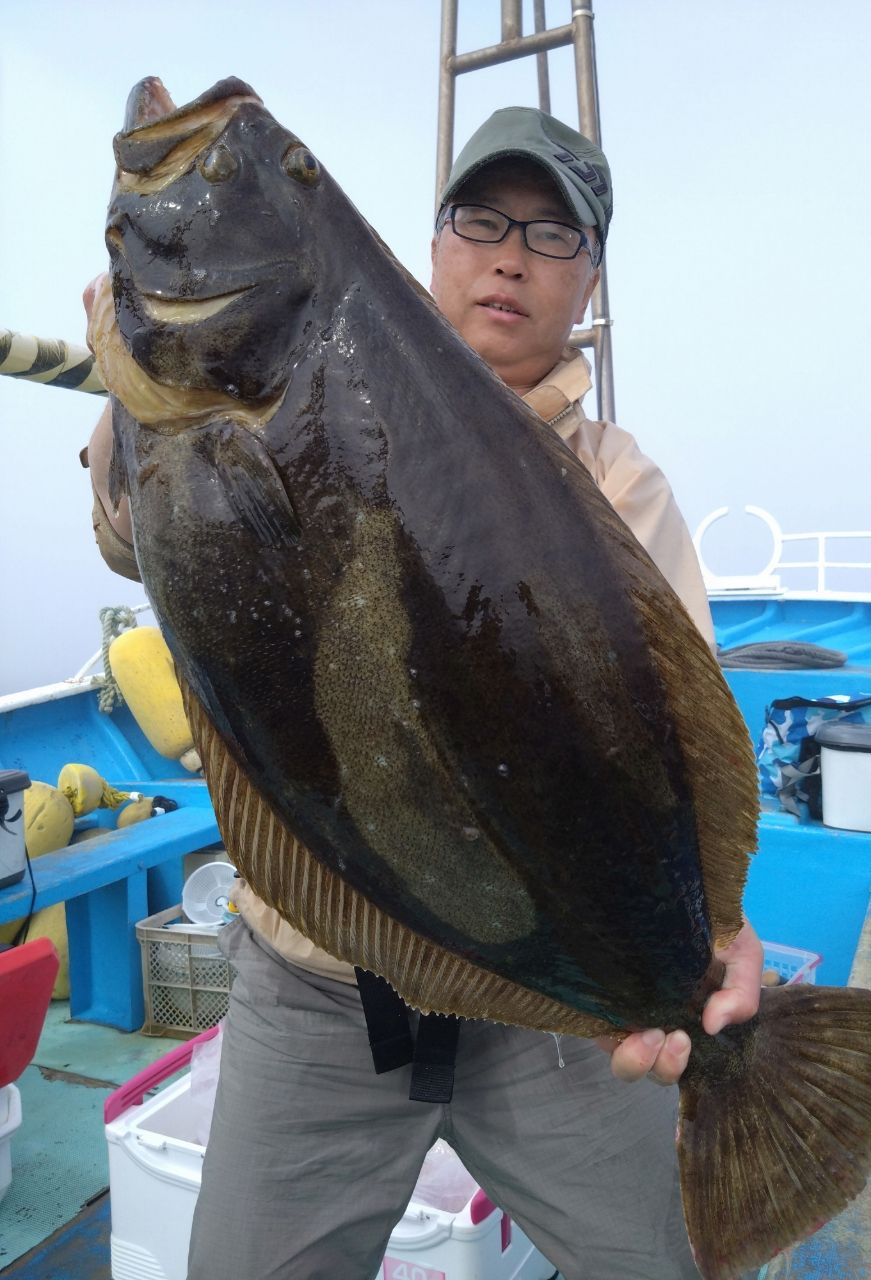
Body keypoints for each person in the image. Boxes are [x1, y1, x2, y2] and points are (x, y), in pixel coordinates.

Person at [84, 106, 763, 1280]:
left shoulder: (616, 484)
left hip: (549, 1023)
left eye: (554, 235)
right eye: (483, 219)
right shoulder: (240, 397)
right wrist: (131, 402)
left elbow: (661, 742)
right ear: (434, 243)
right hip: (312, 988)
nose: (511, 255)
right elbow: (131, 539)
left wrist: (716, 928)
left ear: (588, 277)